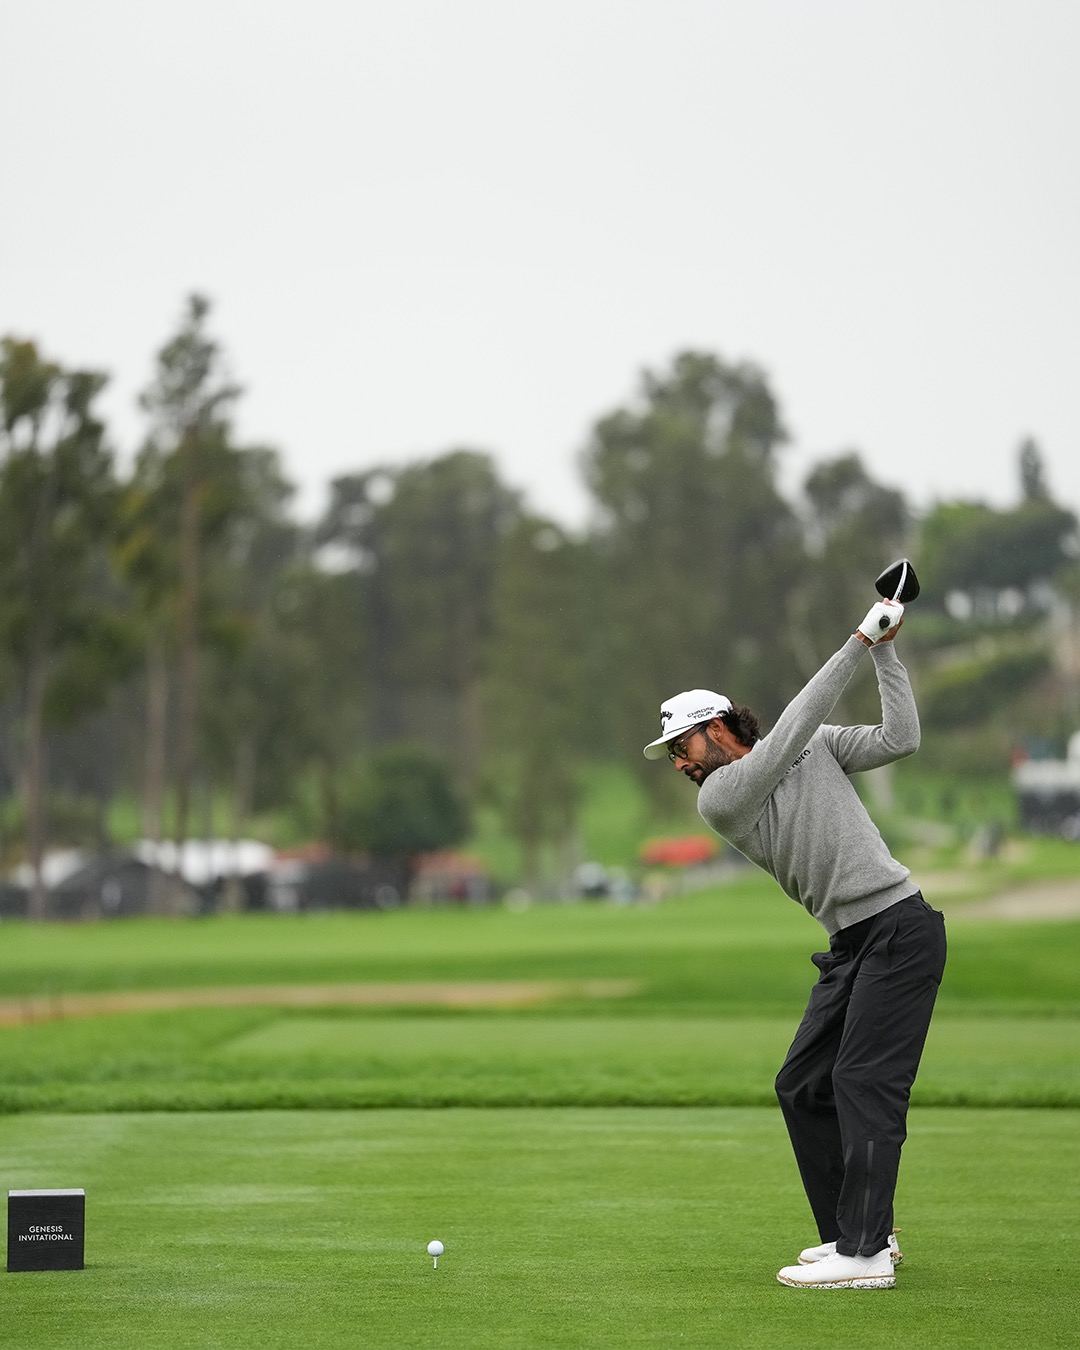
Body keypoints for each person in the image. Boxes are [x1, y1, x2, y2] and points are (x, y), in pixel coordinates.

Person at [642, 599, 946, 1291]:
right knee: (803, 1084)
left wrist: (886, 649)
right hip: (850, 943)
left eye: (683, 747)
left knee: (862, 1081)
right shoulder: (722, 797)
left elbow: (901, 739)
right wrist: (856, 642)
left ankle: (864, 1254)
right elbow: (789, 734)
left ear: (715, 728)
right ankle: (857, 1236)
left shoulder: (811, 747)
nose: (681, 765)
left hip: (898, 929)